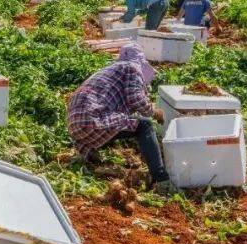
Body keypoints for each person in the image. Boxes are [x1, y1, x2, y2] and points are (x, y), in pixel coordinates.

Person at [67, 46, 176, 194]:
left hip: (75, 123)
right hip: (92, 118)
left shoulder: (112, 69)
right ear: (141, 61)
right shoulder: (132, 68)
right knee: (144, 125)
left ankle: (89, 155)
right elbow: (135, 98)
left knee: (121, 122)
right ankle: (162, 180)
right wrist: (154, 111)